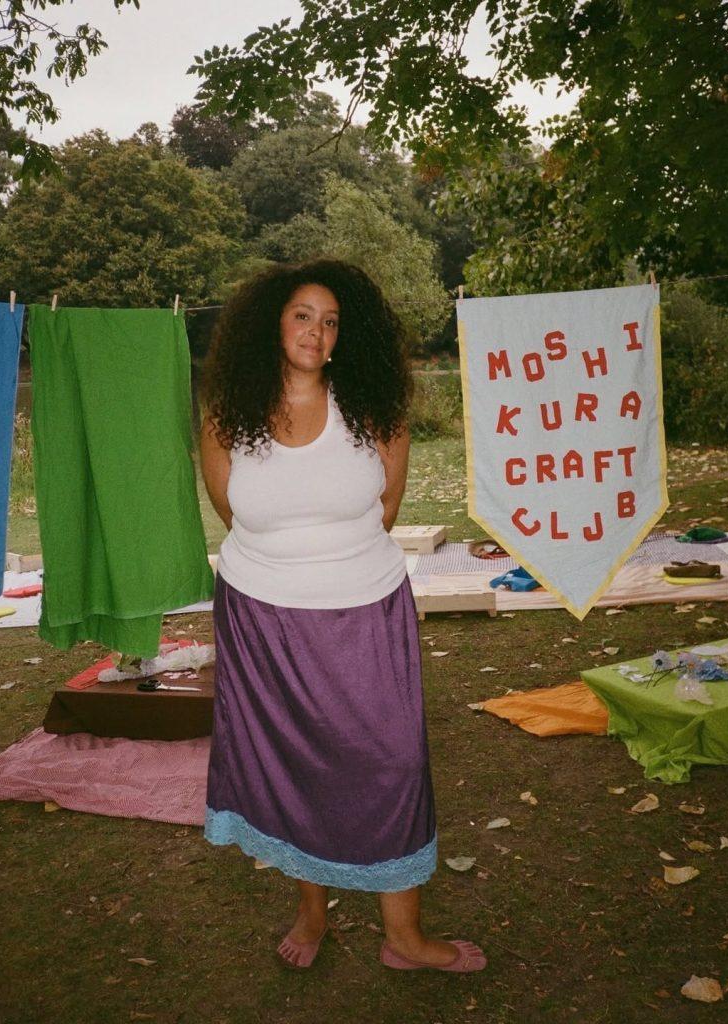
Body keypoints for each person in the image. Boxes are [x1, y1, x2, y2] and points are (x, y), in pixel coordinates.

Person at [199, 259, 486, 973]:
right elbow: (233, 512)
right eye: (302, 315)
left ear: (343, 337)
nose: (316, 332)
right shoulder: (227, 416)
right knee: (295, 766)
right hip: (264, 621)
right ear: (272, 324)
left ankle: (405, 937)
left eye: (330, 321)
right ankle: (311, 909)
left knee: (394, 763)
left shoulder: (377, 410)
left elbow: (386, 510)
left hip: (366, 615)